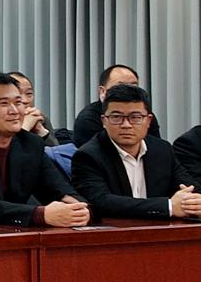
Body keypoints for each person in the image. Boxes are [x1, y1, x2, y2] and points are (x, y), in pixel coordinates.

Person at [0, 73, 89, 228]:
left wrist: (80, 209)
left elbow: (59, 189)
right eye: (4, 103)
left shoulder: (31, 143)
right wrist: (41, 215)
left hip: (18, 231)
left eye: (18, 102)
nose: (14, 111)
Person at [71, 84, 200, 220]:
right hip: (117, 229)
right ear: (104, 121)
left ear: (148, 121)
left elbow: (189, 187)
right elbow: (101, 202)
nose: (126, 125)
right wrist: (168, 206)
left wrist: (195, 202)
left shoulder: (163, 150)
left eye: (135, 117)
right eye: (116, 117)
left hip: (162, 227)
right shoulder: (88, 156)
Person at [71, 64, 163, 148]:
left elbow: (157, 148)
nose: (127, 91)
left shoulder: (143, 114)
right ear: (103, 91)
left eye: (133, 86)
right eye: (120, 87)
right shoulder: (88, 119)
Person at [8, 71, 59, 147]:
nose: (25, 100)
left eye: (29, 94)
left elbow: (56, 152)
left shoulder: (40, 119)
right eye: (18, 94)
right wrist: (25, 128)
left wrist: (41, 130)